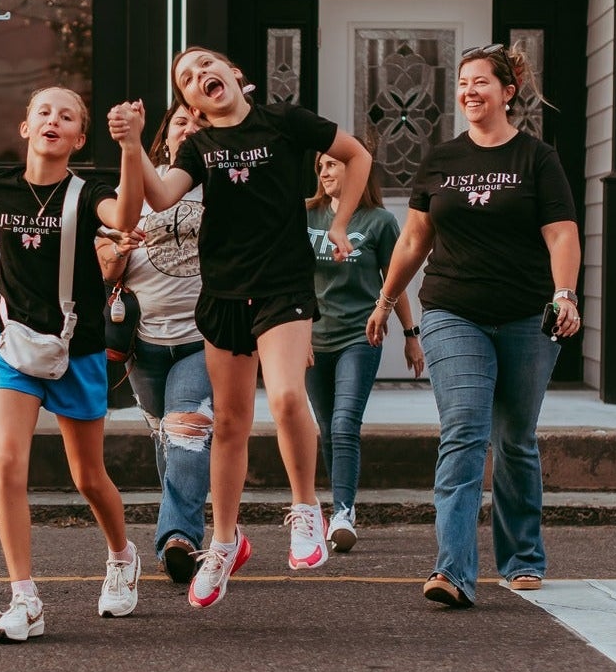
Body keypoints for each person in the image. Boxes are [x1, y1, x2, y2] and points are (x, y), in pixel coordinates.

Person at [133, 47, 372, 609]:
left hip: (283, 286)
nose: (199, 77)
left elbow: (357, 155)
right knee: (232, 424)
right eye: (186, 79)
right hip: (221, 295)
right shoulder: (198, 145)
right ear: (188, 100)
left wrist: (339, 225)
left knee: (288, 397)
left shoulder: (284, 121)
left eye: (206, 66)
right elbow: (162, 195)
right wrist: (130, 145)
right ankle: (223, 542)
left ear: (236, 75)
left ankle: (306, 508)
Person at [0, 87, 146, 643]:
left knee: (88, 478)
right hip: (12, 344)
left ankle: (122, 554)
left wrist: (133, 148)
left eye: (66, 116)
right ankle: (25, 599)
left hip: (78, 349)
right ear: (25, 127)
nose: (53, 120)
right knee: (7, 463)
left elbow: (127, 214)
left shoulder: (88, 190)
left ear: (77, 137)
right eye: (43, 112)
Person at [367, 42, 581, 608]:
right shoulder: (441, 158)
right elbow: (415, 238)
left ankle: (522, 558)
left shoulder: (537, 159)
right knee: (464, 429)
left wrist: (564, 294)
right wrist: (386, 300)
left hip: (524, 317)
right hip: (452, 310)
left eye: (481, 82)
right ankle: (453, 570)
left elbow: (560, 233)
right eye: (462, 83)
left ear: (508, 92)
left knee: (515, 438)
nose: (469, 91)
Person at [97, 102, 211, 587]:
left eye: (201, 123)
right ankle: (180, 533)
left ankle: (177, 538)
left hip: (203, 338)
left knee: (187, 432)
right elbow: (106, 263)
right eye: (183, 121)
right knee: (166, 439)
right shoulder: (136, 185)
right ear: (164, 136)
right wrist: (117, 253)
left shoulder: (221, 186)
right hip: (144, 340)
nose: (191, 129)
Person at [306, 149, 425, 554]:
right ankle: (336, 505)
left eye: (332, 165)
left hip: (360, 337)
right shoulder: (306, 215)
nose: (324, 172)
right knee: (327, 428)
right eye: (320, 166)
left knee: (343, 424)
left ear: (357, 170)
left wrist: (411, 334)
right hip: (311, 339)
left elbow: (395, 280)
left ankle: (342, 512)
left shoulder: (379, 222)